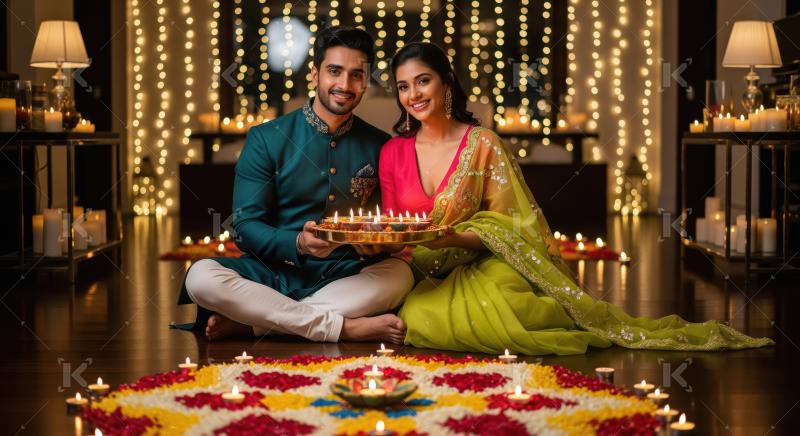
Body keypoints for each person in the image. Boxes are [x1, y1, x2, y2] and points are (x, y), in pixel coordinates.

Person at [379, 42, 774, 355]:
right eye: (403, 86)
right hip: (423, 269)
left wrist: (453, 238)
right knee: (418, 316)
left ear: (446, 82)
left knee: (518, 312)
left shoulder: (483, 143)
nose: (413, 94)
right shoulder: (393, 152)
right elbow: (394, 228)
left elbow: (513, 225)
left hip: (481, 261)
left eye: (423, 81)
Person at [177, 27, 412, 343]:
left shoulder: (379, 145)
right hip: (271, 274)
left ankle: (260, 325)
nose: (344, 85)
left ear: (366, 81)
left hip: (344, 275)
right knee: (201, 278)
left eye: (356, 75)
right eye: (334, 71)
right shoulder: (266, 139)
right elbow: (244, 227)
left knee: (401, 275)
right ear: (314, 75)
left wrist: (377, 243)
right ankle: (344, 328)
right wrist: (298, 243)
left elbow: (381, 224)